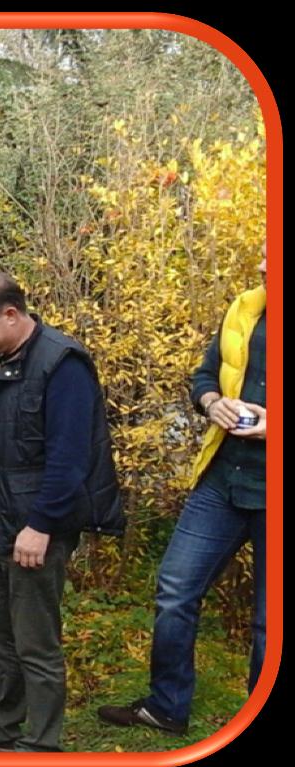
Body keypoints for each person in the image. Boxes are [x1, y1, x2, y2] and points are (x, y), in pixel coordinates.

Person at [0, 271, 123, 752]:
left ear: (11, 314)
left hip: (35, 526)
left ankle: (41, 744)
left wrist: (41, 526)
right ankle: (0, 723)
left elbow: (69, 458)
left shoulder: (63, 364)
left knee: (35, 639)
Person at [98, 244, 268, 736]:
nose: (260, 266)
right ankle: (167, 706)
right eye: (260, 256)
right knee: (175, 590)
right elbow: (203, 375)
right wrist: (210, 400)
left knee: (268, 625)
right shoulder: (245, 309)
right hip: (224, 477)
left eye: (272, 258)